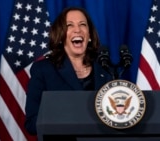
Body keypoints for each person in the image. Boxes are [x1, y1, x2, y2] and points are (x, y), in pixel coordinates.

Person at [24, 7, 113, 136]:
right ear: (61, 36)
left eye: (82, 24)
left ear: (89, 35)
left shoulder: (105, 69)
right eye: (69, 25)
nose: (77, 29)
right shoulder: (43, 70)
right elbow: (32, 123)